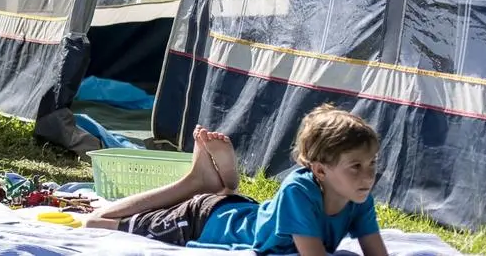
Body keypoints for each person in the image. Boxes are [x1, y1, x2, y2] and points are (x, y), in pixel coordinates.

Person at [85, 105, 387, 256]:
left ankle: (214, 183)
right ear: (320, 171)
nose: (368, 175)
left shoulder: (359, 196)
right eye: (356, 166)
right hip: (201, 221)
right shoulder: (300, 189)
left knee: (222, 198)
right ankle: (194, 183)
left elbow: (376, 252)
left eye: (372, 163)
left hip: (240, 210)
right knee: (99, 220)